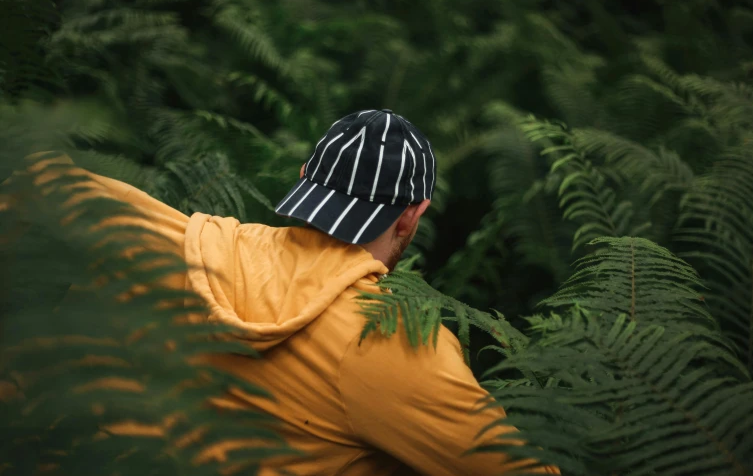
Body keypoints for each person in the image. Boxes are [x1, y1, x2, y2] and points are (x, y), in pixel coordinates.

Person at [12, 109, 560, 475]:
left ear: (304, 176)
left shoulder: (177, 239)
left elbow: (32, 180)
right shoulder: (396, 345)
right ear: (414, 215)